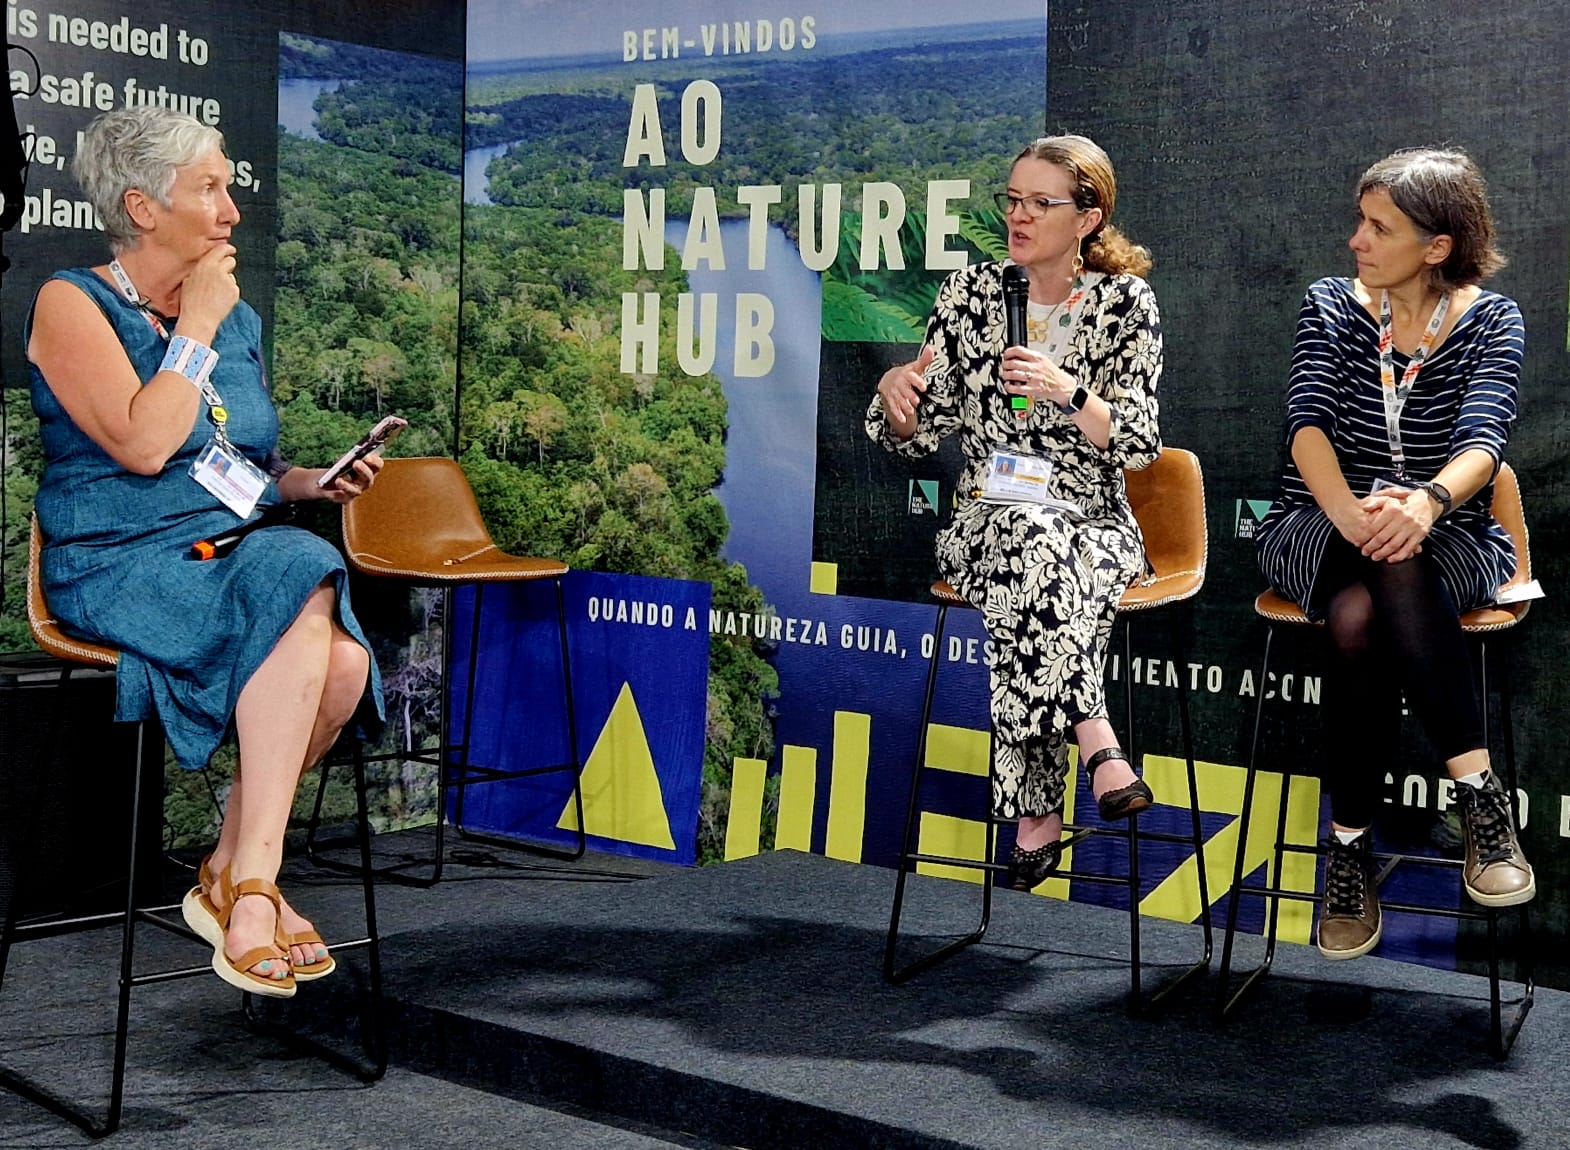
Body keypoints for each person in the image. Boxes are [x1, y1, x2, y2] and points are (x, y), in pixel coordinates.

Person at [26, 107, 386, 997]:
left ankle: (233, 869)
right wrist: (195, 327)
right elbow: (148, 446)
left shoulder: (238, 319)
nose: (232, 210)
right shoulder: (73, 304)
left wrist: (308, 483)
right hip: (115, 562)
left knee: (343, 665)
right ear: (143, 207)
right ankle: (253, 889)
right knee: (297, 569)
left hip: (223, 550)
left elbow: (241, 460)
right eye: (211, 189)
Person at [1255, 148, 1534, 961]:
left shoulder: (1492, 321)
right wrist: (1354, 516)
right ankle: (1480, 793)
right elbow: (1307, 426)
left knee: (1360, 614)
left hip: (1448, 534)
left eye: (1379, 228)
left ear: (1437, 245)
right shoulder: (1330, 306)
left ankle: (1347, 846)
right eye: (1361, 221)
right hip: (1318, 523)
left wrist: (1426, 503)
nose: (1357, 240)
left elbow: (1484, 440)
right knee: (1379, 562)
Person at [867, 135, 1163, 892]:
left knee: (1036, 564)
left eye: (1040, 203)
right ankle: (1097, 740)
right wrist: (898, 401)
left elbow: (1138, 443)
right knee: (1024, 537)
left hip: (1091, 523)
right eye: (1013, 200)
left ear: (1088, 218)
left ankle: (1035, 812)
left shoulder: (1124, 305)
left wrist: (1069, 391)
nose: (1018, 217)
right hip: (985, 518)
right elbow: (920, 429)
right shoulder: (970, 295)